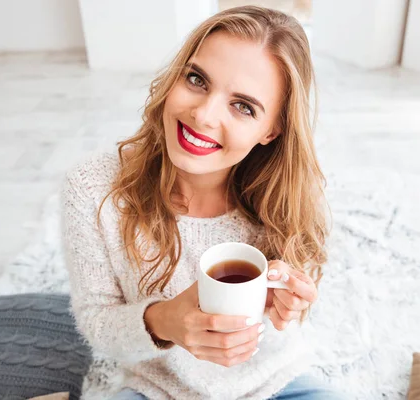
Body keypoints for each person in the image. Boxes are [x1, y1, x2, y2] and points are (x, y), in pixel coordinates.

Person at [62, 5, 341, 400]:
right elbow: (97, 326)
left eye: (243, 106)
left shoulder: (284, 199)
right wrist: (165, 322)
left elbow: (285, 330)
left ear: (271, 130)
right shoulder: (94, 189)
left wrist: (284, 308)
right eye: (197, 79)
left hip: (276, 385)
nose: (203, 115)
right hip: (157, 389)